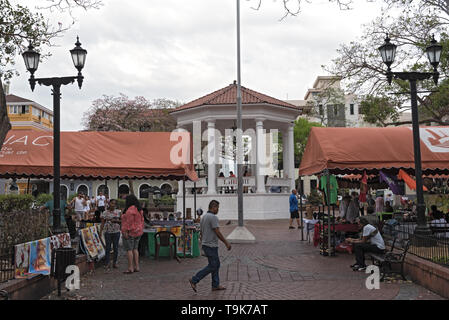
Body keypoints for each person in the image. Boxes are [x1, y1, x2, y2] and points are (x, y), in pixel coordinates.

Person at [189, 200, 231, 292]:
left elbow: (202, 232)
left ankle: (215, 284)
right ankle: (194, 279)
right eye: (218, 208)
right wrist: (226, 242)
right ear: (214, 207)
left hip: (206, 244)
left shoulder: (204, 217)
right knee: (213, 265)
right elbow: (217, 231)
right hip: (211, 245)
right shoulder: (213, 217)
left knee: (216, 264)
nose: (218, 210)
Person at [121, 194, 144, 274]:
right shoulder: (139, 209)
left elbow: (129, 223)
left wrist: (126, 231)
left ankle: (130, 267)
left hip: (130, 232)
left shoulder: (129, 211)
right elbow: (142, 220)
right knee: (135, 249)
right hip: (138, 231)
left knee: (129, 249)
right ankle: (136, 266)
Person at [100, 199, 121, 271]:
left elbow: (122, 221)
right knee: (108, 248)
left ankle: (115, 262)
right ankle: (107, 263)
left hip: (116, 231)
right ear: (109, 204)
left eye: (114, 204)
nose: (113, 205)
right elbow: (102, 222)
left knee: (116, 247)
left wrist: (116, 220)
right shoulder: (105, 213)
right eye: (112, 203)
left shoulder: (118, 212)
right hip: (108, 232)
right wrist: (100, 232)